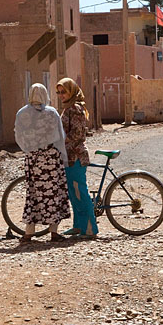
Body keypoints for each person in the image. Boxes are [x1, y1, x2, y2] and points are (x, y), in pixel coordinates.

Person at [14, 83, 69, 243]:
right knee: (53, 194)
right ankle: (54, 232)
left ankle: (29, 233)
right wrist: (62, 157)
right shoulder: (52, 113)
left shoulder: (22, 113)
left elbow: (18, 136)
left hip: (33, 159)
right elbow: (60, 137)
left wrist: (30, 149)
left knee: (33, 194)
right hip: (51, 159)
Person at [56, 77, 98, 239]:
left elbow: (78, 134)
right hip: (69, 156)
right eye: (58, 92)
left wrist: (60, 138)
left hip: (76, 156)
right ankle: (78, 226)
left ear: (71, 91)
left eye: (63, 92)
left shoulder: (76, 108)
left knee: (80, 192)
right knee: (74, 194)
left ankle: (89, 228)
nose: (61, 95)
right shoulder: (68, 108)